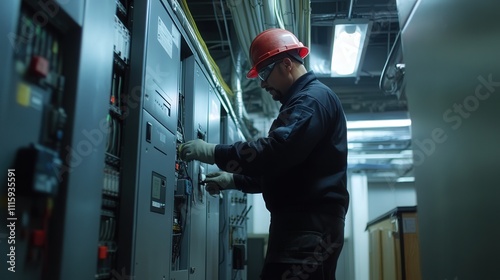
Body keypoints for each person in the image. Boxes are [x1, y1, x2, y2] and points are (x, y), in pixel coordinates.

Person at [179, 28, 349, 280]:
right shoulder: (304, 102)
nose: (262, 83)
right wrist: (232, 180)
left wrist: (214, 152)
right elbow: (282, 169)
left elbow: (275, 152)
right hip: (302, 228)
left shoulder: (312, 100)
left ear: (287, 64)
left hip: (307, 229)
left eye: (265, 73)